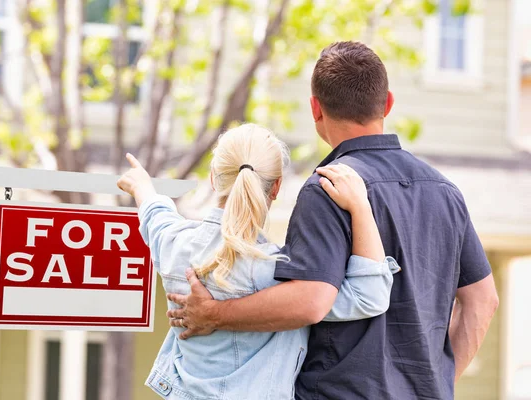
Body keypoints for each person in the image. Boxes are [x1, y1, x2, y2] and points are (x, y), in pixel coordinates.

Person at [166, 42, 500, 399]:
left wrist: (215, 314)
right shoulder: (444, 191)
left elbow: (310, 301)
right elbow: (483, 300)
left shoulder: (327, 187)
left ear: (315, 109)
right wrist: (437, 384)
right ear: (387, 103)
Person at [117, 123, 400, 399]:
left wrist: (142, 187)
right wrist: (360, 206)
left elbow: (156, 216)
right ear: (276, 187)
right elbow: (368, 295)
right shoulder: (281, 274)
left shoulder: (175, 245)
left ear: (214, 179)